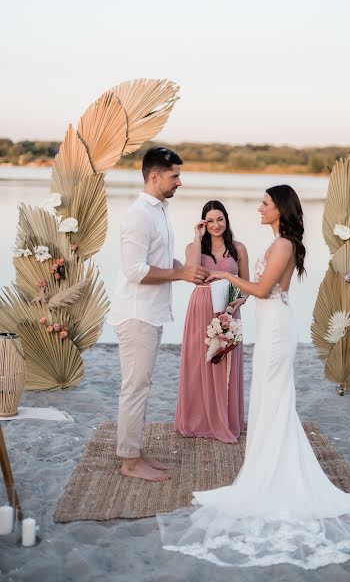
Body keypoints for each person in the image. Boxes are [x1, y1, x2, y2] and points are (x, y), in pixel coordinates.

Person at [158, 185, 350, 568]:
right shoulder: (278, 243)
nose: (260, 208)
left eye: (266, 204)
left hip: (276, 329)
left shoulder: (284, 245)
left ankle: (272, 472)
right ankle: (265, 464)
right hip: (270, 325)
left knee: (273, 396)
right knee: (269, 398)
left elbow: (262, 289)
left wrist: (227, 280)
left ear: (280, 209)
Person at [108, 147, 209, 482]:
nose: (180, 181)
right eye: (174, 175)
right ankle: (130, 462)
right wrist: (179, 275)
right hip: (137, 314)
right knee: (135, 387)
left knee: (142, 385)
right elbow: (135, 270)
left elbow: (163, 262)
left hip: (151, 312)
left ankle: (134, 451)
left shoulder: (160, 211)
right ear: (154, 176)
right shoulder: (138, 215)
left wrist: (188, 271)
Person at [174, 200, 249, 443]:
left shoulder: (238, 248)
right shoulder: (192, 247)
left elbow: (246, 287)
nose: (216, 225)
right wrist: (197, 238)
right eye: (210, 220)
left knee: (224, 359)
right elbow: (192, 272)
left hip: (228, 308)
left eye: (220, 219)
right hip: (201, 306)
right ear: (203, 223)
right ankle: (198, 420)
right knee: (199, 361)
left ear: (226, 220)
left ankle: (224, 420)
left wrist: (235, 305)